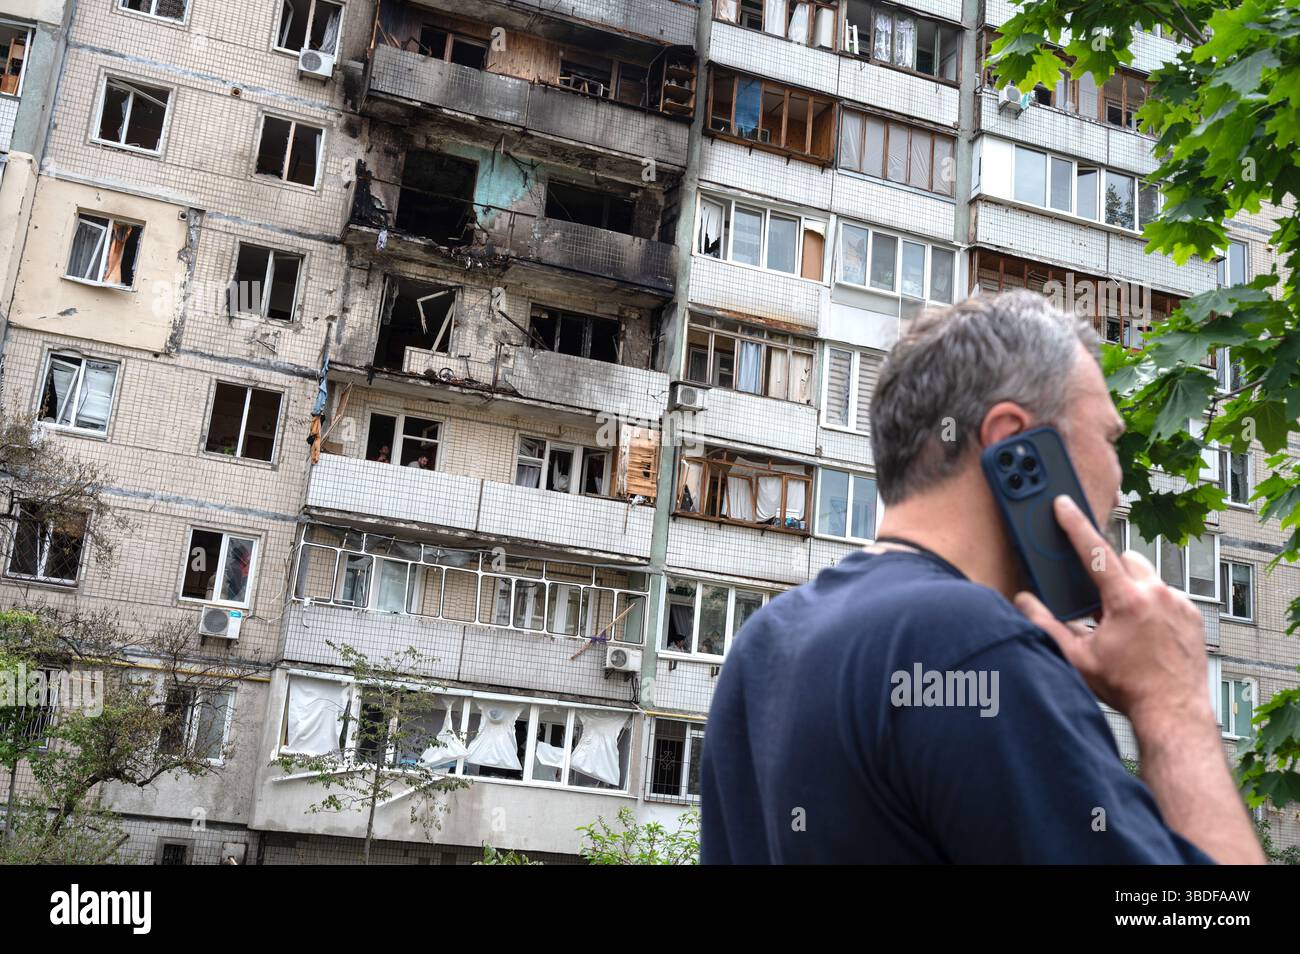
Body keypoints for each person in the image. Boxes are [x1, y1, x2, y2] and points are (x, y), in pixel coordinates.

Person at [700, 291, 1264, 865]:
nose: (1118, 490)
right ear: (1015, 445)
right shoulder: (971, 643)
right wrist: (1172, 703)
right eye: (1109, 440)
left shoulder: (764, 645)